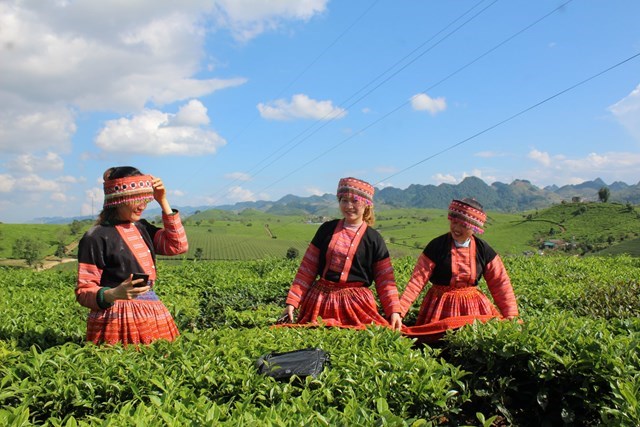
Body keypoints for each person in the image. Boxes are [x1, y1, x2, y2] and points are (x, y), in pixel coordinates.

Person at [75, 166, 189, 345]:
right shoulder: (96, 236)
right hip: (115, 319)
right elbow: (83, 292)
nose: (143, 205)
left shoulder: (143, 228)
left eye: (146, 199)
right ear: (119, 198)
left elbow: (177, 246)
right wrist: (114, 293)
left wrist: (163, 201)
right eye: (137, 199)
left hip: (152, 313)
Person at [280, 177, 402, 331]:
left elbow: (385, 280)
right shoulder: (326, 230)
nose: (348, 206)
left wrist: (394, 311)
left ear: (367, 205)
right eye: (344, 200)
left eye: (355, 201)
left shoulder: (374, 239)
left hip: (357, 306)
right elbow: (307, 268)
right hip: (320, 302)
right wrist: (292, 302)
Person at [400, 198, 518, 342]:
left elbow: (500, 283)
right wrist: (399, 313)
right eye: (454, 222)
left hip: (473, 307)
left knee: (472, 342)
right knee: (437, 344)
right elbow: (417, 281)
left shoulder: (483, 250)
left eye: (463, 225)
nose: (456, 228)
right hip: (441, 305)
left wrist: (510, 314)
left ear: (474, 228)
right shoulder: (436, 246)